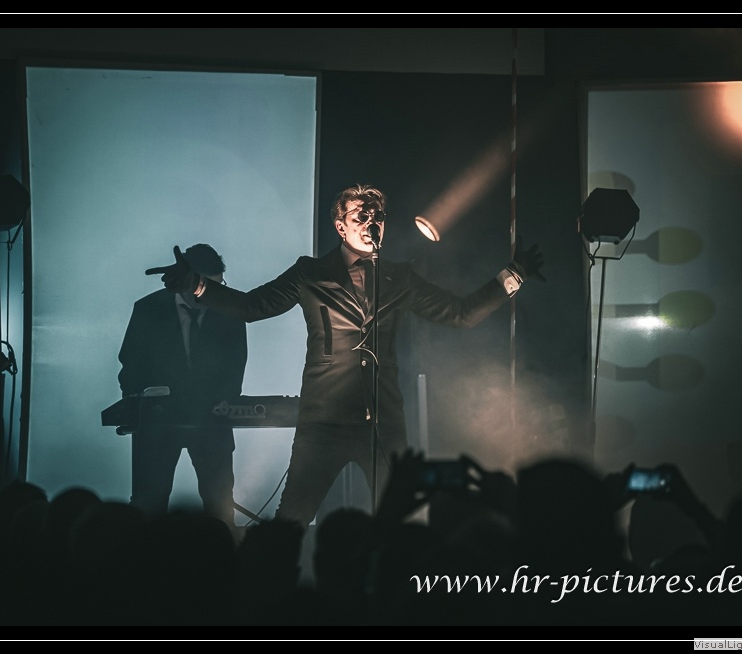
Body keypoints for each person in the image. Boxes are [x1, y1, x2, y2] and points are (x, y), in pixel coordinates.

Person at [145, 185, 544, 530]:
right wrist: (197, 285)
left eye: (378, 217)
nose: (372, 223)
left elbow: (460, 314)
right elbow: (252, 306)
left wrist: (513, 275)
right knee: (292, 521)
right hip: (324, 421)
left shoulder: (400, 278)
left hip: (383, 421)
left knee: (403, 521)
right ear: (341, 227)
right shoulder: (311, 273)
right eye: (361, 216)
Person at [119, 243, 248, 535]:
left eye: (218, 287)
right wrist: (142, 402)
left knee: (219, 507)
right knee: (149, 506)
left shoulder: (230, 311)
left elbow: (234, 369)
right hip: (157, 424)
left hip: (211, 423)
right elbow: (130, 365)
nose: (212, 295)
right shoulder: (148, 309)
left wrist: (222, 402)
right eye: (206, 286)